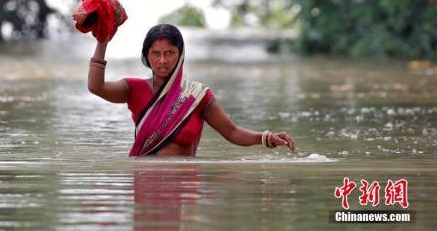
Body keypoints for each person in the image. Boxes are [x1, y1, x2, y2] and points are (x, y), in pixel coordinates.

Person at [87, 23, 296, 157]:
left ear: (180, 55)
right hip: (145, 179)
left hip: (185, 184)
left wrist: (265, 137)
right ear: (146, 56)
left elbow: (232, 132)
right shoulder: (133, 89)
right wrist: (102, 41)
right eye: (156, 53)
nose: (162, 60)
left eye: (169, 53)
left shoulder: (197, 96)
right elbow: (96, 87)